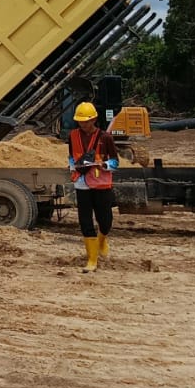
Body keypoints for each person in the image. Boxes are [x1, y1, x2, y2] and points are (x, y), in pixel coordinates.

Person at [69, 101, 119, 273]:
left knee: (105, 221)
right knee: (85, 221)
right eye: (80, 121)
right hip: (82, 183)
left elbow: (115, 162)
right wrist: (72, 168)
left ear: (94, 120)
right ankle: (92, 260)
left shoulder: (105, 138)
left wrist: (103, 165)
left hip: (101, 183)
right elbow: (71, 156)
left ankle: (102, 238)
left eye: (86, 121)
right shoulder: (73, 136)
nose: (83, 124)